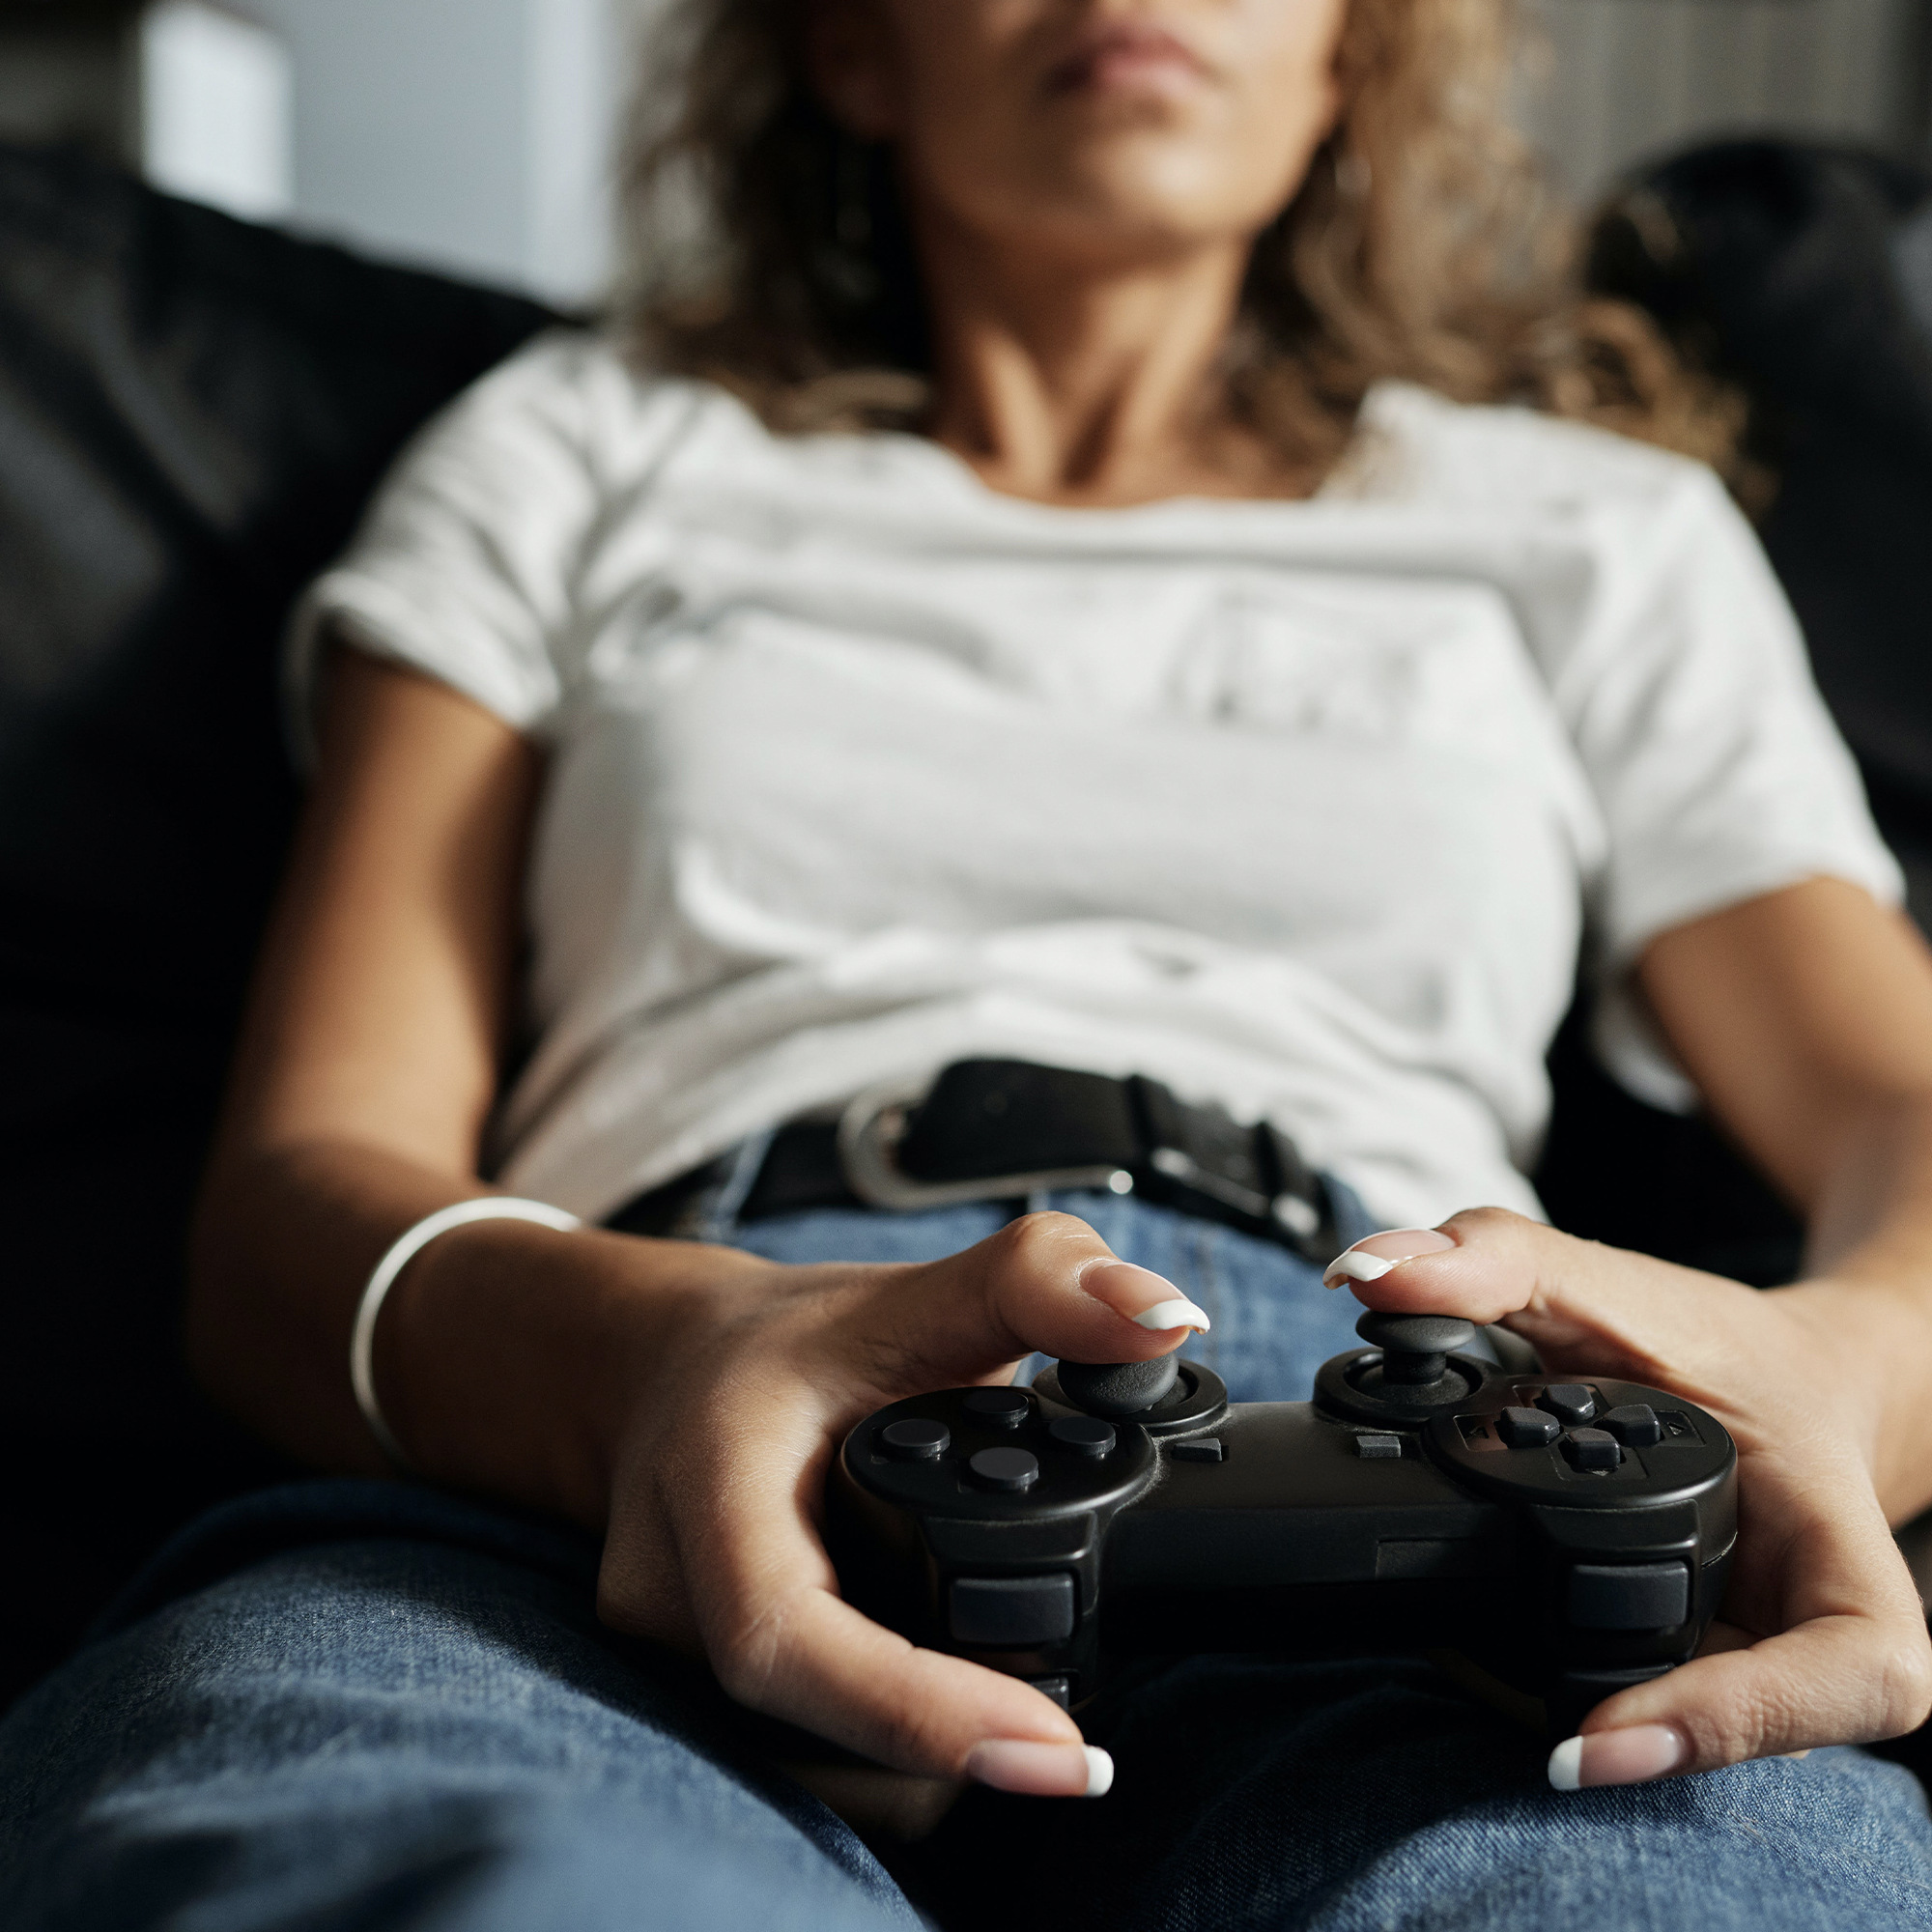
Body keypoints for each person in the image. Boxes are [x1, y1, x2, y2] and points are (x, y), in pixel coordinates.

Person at [5, 1, 1932, 1926]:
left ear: (1349, 55)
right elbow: (286, 1212)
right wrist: (635, 1364)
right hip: (648, 1419)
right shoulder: (582, 446)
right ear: (852, 52)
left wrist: (1835, 1366)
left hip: (1403, 1466)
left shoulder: (1589, 529)